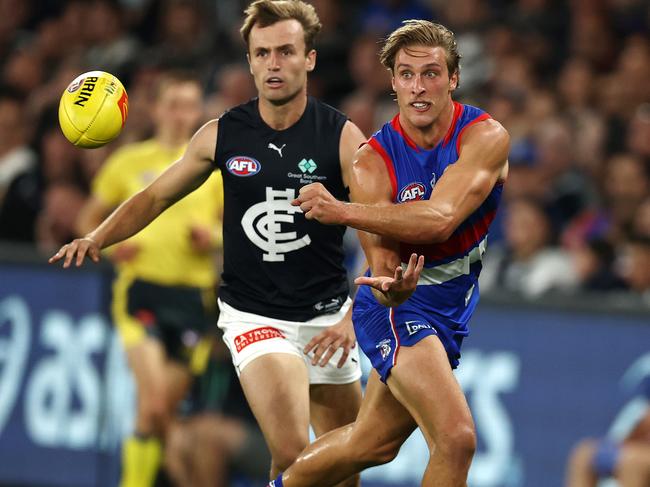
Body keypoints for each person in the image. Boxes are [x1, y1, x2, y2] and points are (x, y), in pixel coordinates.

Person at [50, 1, 366, 485]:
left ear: (310, 59)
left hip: (326, 316)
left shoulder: (343, 139)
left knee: (342, 469)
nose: (273, 64)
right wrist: (97, 235)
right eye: (262, 53)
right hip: (255, 315)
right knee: (295, 451)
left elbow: (376, 235)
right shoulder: (222, 135)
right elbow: (155, 195)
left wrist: (350, 316)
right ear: (250, 61)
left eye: (285, 51)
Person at [276, 19, 510, 487]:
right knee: (457, 437)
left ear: (454, 79)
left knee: (373, 444)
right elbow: (382, 272)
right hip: (397, 310)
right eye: (406, 74)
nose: (418, 88)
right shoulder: (371, 162)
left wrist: (343, 211)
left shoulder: (483, 138)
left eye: (431, 74)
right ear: (392, 82)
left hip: (450, 308)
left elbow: (441, 218)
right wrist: (390, 289)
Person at [74, 71, 224, 487]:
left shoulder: (213, 170)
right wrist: (111, 245)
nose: (181, 115)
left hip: (193, 300)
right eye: (173, 104)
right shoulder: (128, 162)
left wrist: (210, 236)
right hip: (141, 292)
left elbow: (237, 230)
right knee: (155, 403)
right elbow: (88, 216)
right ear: (156, 109)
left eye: (190, 106)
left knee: (160, 417)